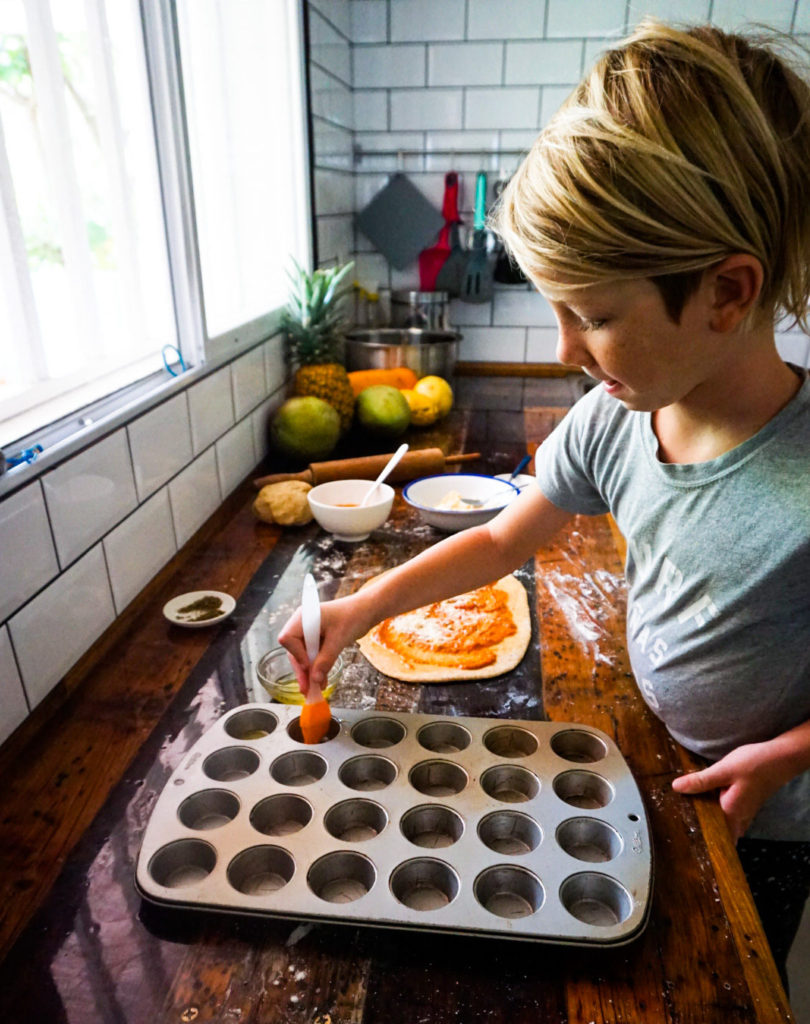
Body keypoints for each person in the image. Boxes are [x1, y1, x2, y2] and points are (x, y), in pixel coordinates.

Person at [279, 20, 810, 990]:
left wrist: (786, 754)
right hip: (638, 756)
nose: (564, 349)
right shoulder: (616, 418)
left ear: (727, 292)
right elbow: (497, 539)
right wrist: (359, 610)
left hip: (759, 809)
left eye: (595, 317)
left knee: (721, 980)